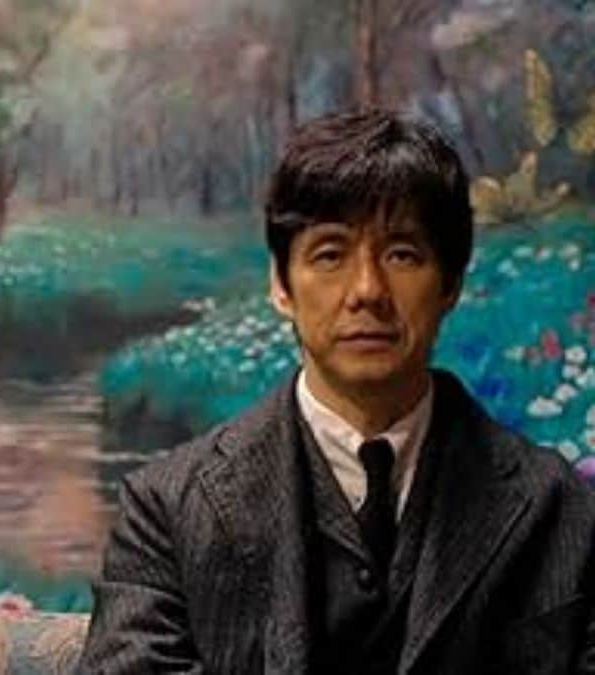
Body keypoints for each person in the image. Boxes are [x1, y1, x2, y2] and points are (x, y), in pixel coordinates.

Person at [80, 108, 595, 673]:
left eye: (402, 254)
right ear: (281, 286)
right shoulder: (165, 513)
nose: (367, 290)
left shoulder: (561, 508)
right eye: (330, 254)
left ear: (450, 283)